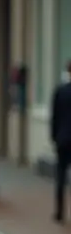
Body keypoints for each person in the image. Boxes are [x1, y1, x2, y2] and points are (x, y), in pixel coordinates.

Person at [51, 60, 71, 222]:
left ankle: (59, 212)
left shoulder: (60, 91)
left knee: (61, 176)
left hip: (63, 139)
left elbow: (54, 117)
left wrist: (53, 137)